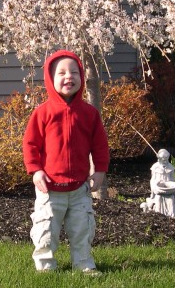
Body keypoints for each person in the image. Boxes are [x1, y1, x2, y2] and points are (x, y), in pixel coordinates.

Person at [23, 50, 110, 274]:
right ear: (50, 80)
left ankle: (83, 263)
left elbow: (100, 146)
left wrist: (99, 171)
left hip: (80, 188)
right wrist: (35, 171)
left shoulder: (89, 114)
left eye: (74, 72)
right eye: (61, 73)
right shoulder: (42, 113)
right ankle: (45, 266)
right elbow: (30, 145)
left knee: (82, 228)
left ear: (81, 77)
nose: (68, 76)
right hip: (49, 188)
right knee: (46, 229)